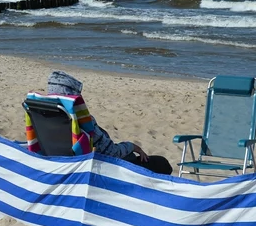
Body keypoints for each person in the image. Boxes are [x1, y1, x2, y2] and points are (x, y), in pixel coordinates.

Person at [45, 70, 173, 175]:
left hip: (64, 166)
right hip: (103, 169)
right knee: (162, 164)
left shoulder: (46, 115)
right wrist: (133, 146)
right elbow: (111, 153)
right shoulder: (80, 120)